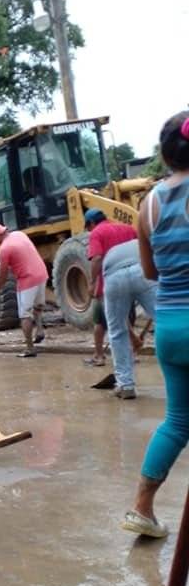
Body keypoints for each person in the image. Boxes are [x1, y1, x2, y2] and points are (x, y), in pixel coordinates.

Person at [123, 111, 189, 538]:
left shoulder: (147, 204)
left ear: (164, 156)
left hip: (169, 324)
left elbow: (150, 272)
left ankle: (142, 510)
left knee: (179, 421)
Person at [102, 238, 156, 399]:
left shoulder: (110, 253)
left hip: (113, 277)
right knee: (167, 322)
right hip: (142, 270)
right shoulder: (141, 242)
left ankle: (125, 386)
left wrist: (130, 335)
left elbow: (119, 319)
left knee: (117, 332)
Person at [84, 208, 136, 366]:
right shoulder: (127, 228)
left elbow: (97, 258)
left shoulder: (97, 233)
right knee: (128, 315)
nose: (88, 230)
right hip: (133, 278)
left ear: (91, 223)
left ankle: (99, 355)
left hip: (108, 282)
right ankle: (132, 352)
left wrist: (92, 282)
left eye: (88, 227)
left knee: (100, 320)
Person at [0, 223, 48, 358]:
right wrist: (4, 263)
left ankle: (30, 348)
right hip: (42, 274)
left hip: (27, 280)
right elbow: (21, 255)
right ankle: (39, 331)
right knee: (37, 306)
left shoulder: (4, 249)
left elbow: (3, 276)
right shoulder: (19, 234)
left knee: (25, 315)